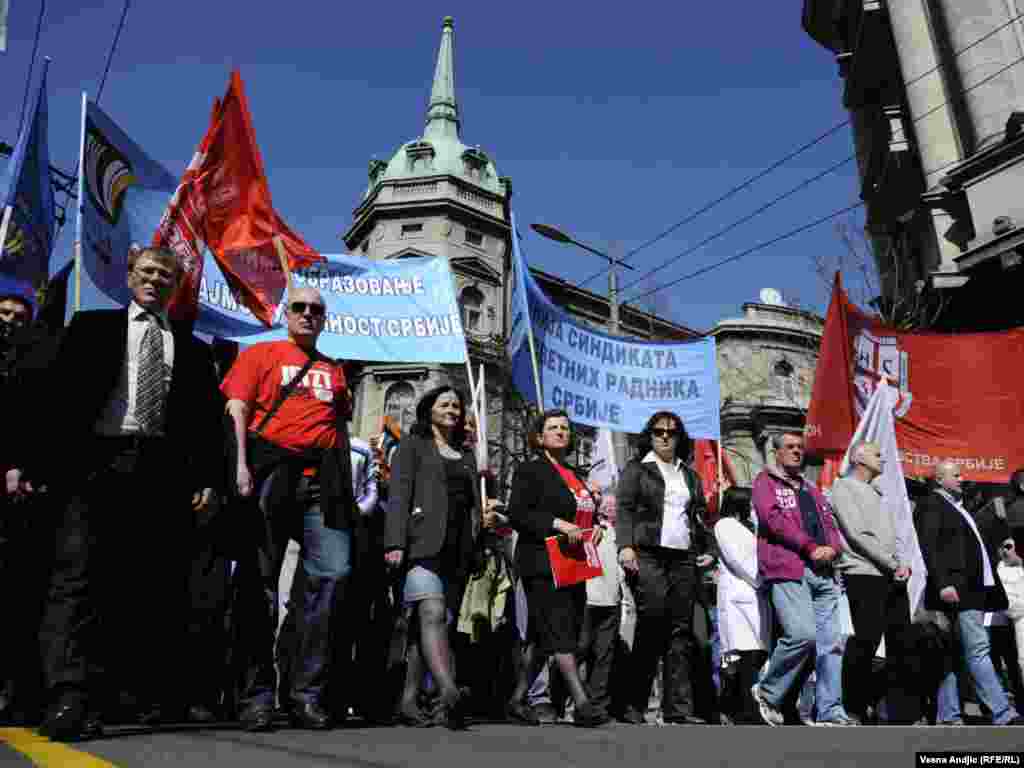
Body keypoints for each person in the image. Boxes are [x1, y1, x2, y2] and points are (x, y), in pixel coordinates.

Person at [6, 247, 223, 741]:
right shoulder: (90, 327)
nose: (154, 281)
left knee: (136, 586)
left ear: (175, 287)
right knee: (75, 580)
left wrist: (208, 479)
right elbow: (50, 397)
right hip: (91, 465)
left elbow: (206, 423)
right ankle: (66, 697)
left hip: (159, 473)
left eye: (164, 276)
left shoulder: (191, 349)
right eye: (147, 272)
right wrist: (25, 461)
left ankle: (114, 695)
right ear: (129, 277)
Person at [222, 285, 356, 732]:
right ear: (286, 313)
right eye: (299, 307)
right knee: (258, 583)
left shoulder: (334, 370)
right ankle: (255, 695)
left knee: (332, 575)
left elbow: (338, 429)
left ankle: (305, 692)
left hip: (322, 485)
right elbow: (237, 408)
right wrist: (239, 465)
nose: (307, 314)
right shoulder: (260, 354)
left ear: (324, 319)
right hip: (270, 475)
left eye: (316, 310)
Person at [384, 385, 487, 730]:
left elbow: (475, 505)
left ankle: (408, 701)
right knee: (431, 612)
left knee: (428, 628)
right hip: (420, 543)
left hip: (459, 550)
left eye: (457, 406)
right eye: (445, 404)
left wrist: (483, 534)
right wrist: (394, 542)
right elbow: (398, 493)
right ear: (429, 410)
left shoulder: (468, 455)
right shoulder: (413, 446)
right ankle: (448, 689)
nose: (453, 410)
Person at [505, 409, 608, 728]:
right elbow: (518, 514)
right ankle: (581, 702)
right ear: (539, 437)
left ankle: (515, 701)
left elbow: (584, 513)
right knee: (561, 629)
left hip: (573, 562)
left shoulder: (575, 474)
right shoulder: (530, 470)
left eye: (565, 427)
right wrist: (556, 524)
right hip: (541, 561)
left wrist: (598, 525)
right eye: (553, 427)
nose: (561, 432)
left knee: (542, 637)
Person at [615, 411, 714, 725]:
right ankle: (633, 704)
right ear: (650, 435)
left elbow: (699, 518)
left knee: (680, 631)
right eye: (659, 432)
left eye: (671, 432)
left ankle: (678, 708)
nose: (665, 437)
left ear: (680, 437)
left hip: (683, 557)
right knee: (652, 621)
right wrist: (625, 546)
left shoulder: (690, 475)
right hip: (648, 554)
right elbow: (625, 509)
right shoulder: (637, 469)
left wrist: (709, 549)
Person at [751, 431, 855, 727]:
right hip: (789, 568)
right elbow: (773, 520)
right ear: (778, 453)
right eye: (790, 447)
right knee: (802, 634)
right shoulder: (765, 482)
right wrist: (810, 547)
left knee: (831, 645)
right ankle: (768, 692)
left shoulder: (812, 489)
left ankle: (831, 711)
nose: (797, 451)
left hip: (824, 572)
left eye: (800, 447)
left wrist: (833, 549)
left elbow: (830, 524)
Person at [914, 461, 1023, 726]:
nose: (963, 479)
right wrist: (942, 584)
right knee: (978, 649)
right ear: (939, 479)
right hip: (957, 590)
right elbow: (929, 546)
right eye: (957, 475)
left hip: (970, 591)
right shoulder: (932, 504)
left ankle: (949, 715)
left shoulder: (958, 508)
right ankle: (1002, 712)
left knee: (951, 653)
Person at [830, 441, 918, 724]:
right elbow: (857, 534)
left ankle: (899, 712)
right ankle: (854, 706)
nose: (883, 459)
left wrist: (901, 563)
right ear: (858, 458)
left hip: (890, 574)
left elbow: (893, 536)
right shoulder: (843, 488)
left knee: (901, 643)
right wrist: (893, 563)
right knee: (867, 639)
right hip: (864, 573)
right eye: (877, 454)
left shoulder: (877, 492)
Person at [714, 487, 770, 724]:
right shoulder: (725, 525)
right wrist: (761, 579)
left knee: (755, 653)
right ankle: (742, 709)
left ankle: (743, 707)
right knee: (743, 654)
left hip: (755, 596)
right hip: (740, 596)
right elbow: (739, 559)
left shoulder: (749, 528)